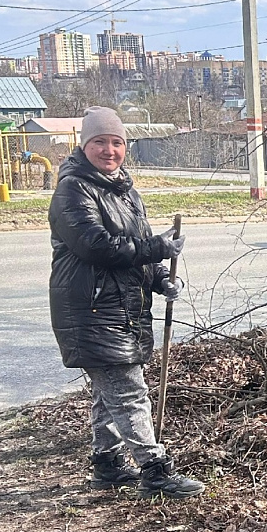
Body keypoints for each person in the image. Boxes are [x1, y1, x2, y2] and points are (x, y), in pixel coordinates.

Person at [48, 107, 205, 498]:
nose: (109, 150)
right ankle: (154, 470)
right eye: (100, 142)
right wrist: (157, 247)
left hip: (121, 309)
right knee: (128, 391)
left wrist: (161, 279)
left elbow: (138, 251)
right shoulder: (73, 190)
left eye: (116, 142)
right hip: (92, 311)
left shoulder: (126, 192)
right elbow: (96, 246)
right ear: (84, 145)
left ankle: (108, 463)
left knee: (109, 392)